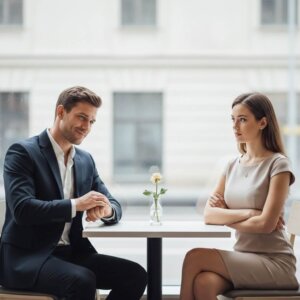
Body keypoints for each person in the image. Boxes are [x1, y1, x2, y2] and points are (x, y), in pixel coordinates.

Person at [0, 86, 147, 300]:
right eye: (81, 117)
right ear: (61, 112)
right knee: (82, 280)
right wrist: (76, 205)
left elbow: (113, 204)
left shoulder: (85, 160)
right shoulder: (23, 152)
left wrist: (106, 210)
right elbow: (23, 209)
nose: (86, 127)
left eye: (92, 121)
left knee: (135, 275)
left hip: (71, 253)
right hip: (27, 257)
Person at [180, 92, 299, 300]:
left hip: (275, 262)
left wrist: (227, 215)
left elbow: (266, 225)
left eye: (243, 120)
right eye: (233, 120)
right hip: (244, 257)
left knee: (195, 257)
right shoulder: (231, 165)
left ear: (263, 122)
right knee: (203, 282)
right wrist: (250, 213)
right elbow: (209, 215)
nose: (235, 127)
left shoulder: (278, 165)